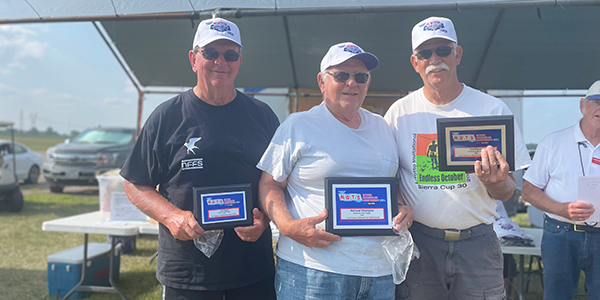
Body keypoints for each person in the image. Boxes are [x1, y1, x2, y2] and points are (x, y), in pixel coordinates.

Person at [120, 17, 279, 300]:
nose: (221, 61)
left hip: (252, 269)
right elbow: (134, 183)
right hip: (187, 272)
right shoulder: (167, 117)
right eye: (210, 53)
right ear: (194, 59)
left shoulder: (263, 116)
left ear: (239, 61)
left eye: (230, 54)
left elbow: (278, 182)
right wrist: (171, 216)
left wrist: (265, 217)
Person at [384, 16, 531, 299]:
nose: (434, 59)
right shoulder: (399, 113)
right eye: (425, 54)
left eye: (443, 50)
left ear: (458, 54)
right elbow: (389, 178)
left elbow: (507, 190)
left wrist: (495, 182)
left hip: (478, 243)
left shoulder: (492, 110)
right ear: (415, 63)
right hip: (421, 244)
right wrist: (400, 204)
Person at [257, 42, 413, 300]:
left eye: (361, 76)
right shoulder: (299, 124)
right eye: (342, 75)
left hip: (378, 271)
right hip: (313, 271)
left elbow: (390, 186)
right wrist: (287, 226)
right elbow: (269, 184)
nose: (352, 83)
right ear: (321, 81)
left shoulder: (383, 127)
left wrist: (401, 207)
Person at [522, 80, 600, 300]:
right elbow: (528, 190)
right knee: (557, 295)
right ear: (583, 105)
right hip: (561, 232)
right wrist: (560, 208)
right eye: (596, 102)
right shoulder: (553, 142)